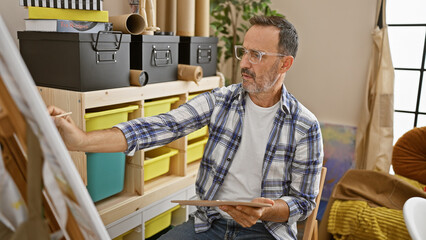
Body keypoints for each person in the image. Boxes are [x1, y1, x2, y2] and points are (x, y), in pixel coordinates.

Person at [49, 15, 323, 240]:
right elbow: (159, 126)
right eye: (244, 51)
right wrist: (81, 141)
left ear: (285, 63)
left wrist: (266, 211)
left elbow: (303, 203)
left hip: (265, 232)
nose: (244, 63)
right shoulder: (221, 100)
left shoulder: (305, 126)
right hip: (208, 225)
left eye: (257, 55)